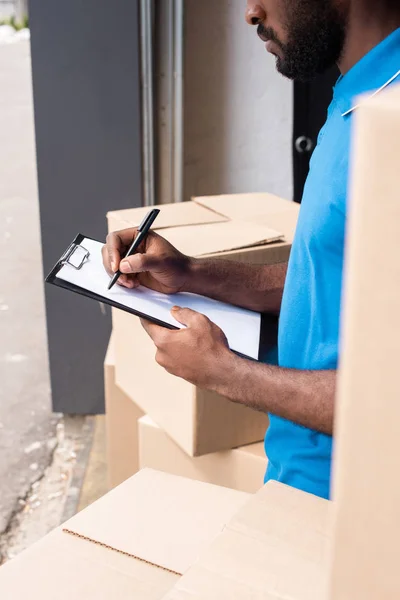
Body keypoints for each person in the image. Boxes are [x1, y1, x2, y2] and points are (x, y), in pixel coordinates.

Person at [103, 1, 400, 500]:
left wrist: (226, 373)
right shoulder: (361, 92)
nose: (251, 12)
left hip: (352, 509)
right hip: (302, 479)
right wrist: (193, 273)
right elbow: (338, 270)